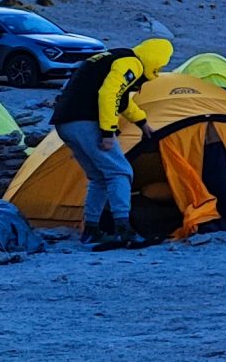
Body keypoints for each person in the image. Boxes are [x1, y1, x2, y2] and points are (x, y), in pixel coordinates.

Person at [48, 36, 172, 249]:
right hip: (85, 121)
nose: (159, 70)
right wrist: (108, 132)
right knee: (120, 172)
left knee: (99, 176)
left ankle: (92, 230)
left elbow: (121, 101)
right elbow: (109, 94)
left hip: (65, 122)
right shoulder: (131, 62)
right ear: (155, 58)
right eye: (161, 64)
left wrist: (142, 122)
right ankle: (124, 230)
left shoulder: (112, 57)